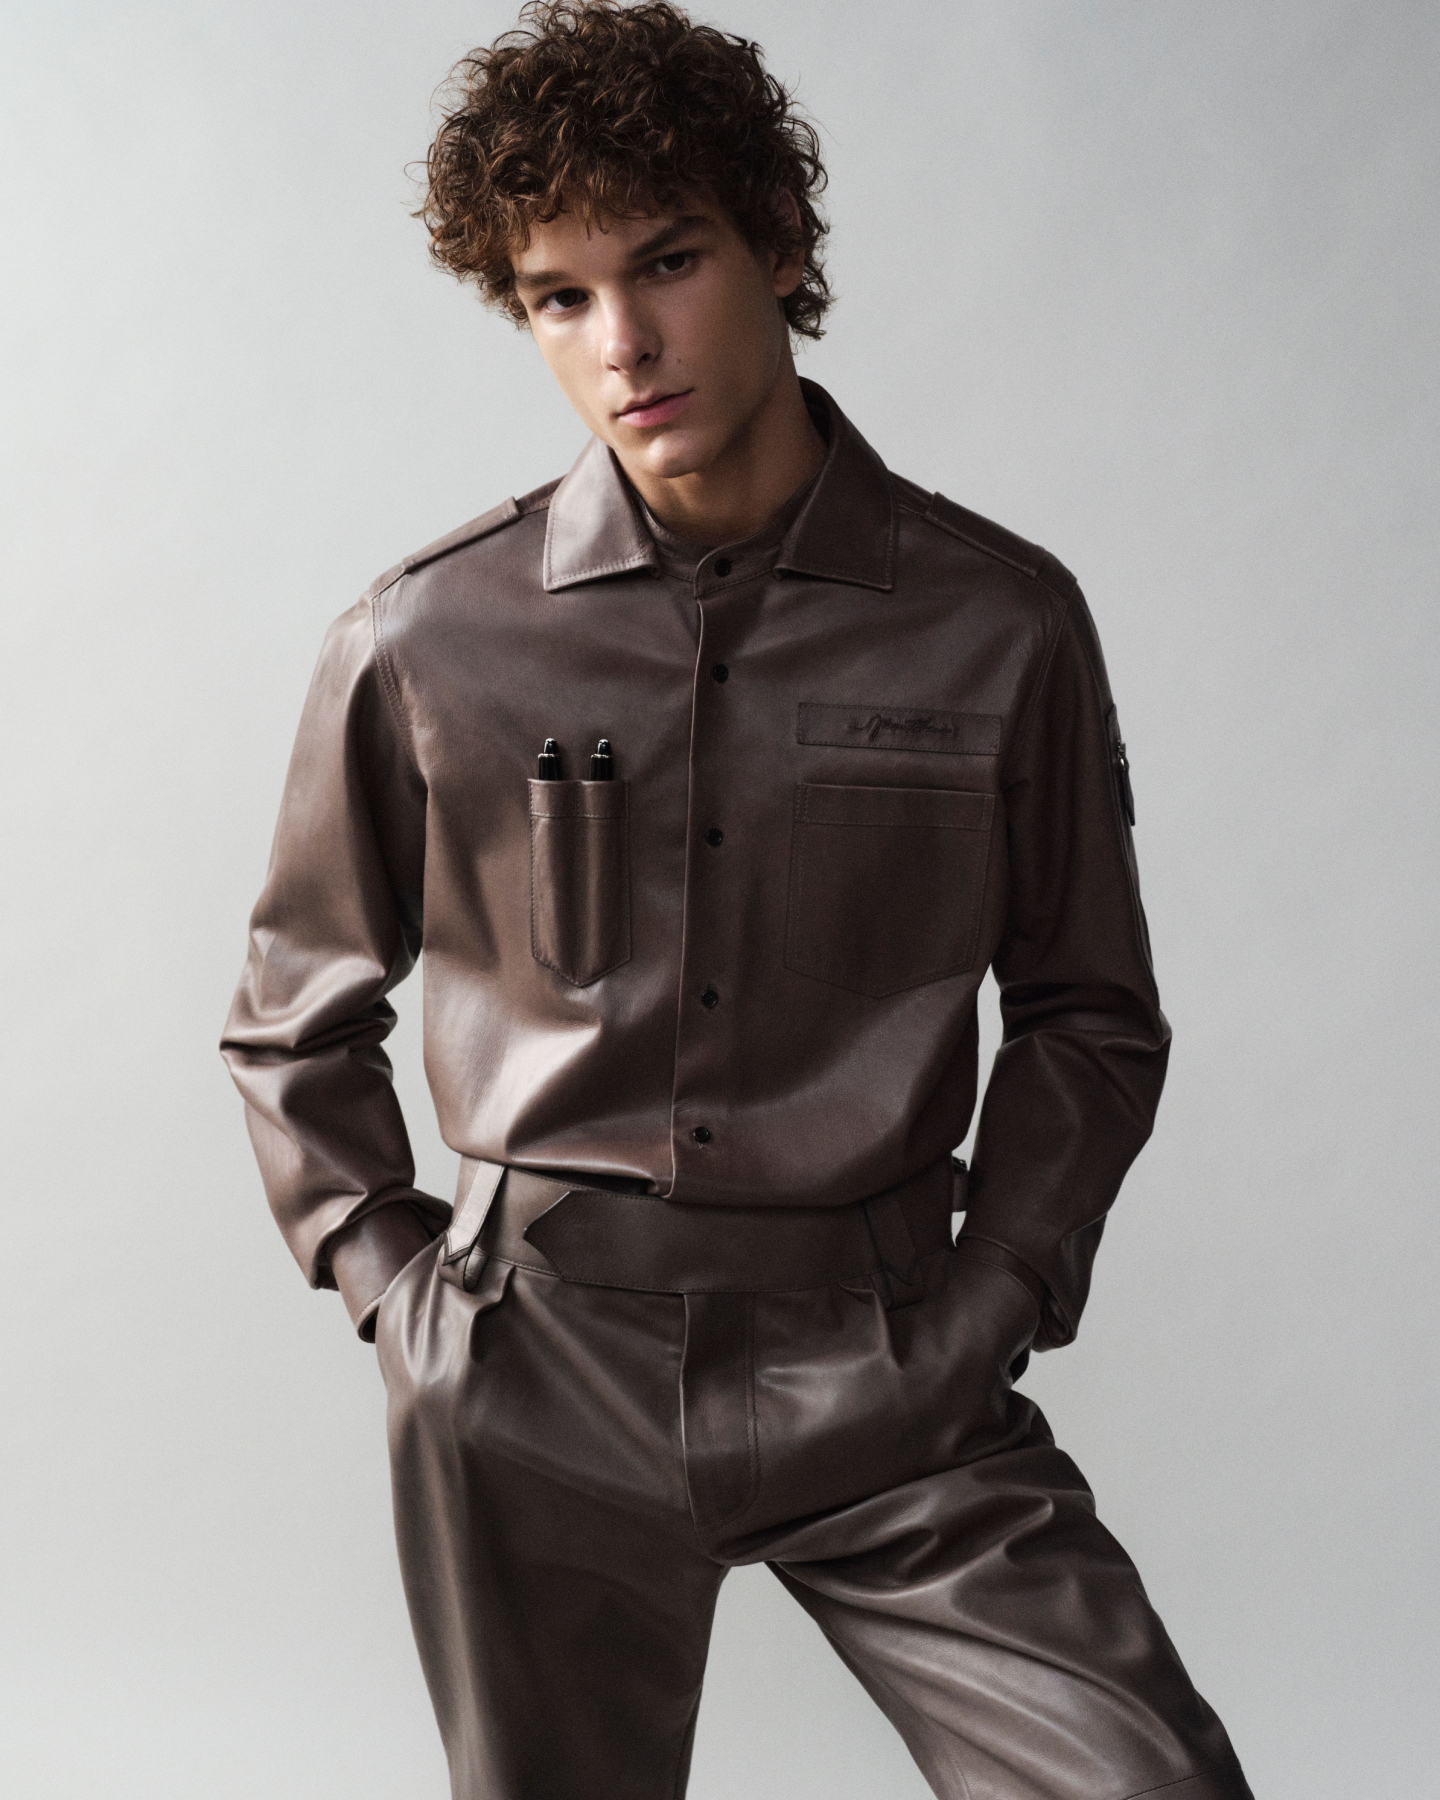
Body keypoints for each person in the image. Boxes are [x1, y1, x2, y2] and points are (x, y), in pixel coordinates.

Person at [221, 4, 1253, 1796]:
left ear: (776, 242)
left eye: (669, 262)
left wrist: (994, 1298)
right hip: (537, 1364)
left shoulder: (997, 621)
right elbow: (290, 1019)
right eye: (557, 297)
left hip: (890, 1360)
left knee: (1139, 1776)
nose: (622, 343)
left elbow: (1090, 1013)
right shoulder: (424, 636)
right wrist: (408, 1306)